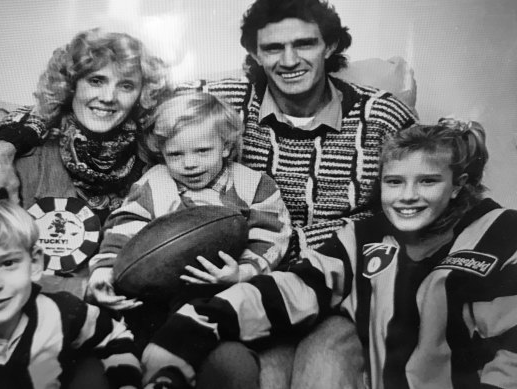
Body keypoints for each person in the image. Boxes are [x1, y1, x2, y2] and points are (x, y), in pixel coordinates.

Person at [0, 0, 417, 386]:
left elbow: (431, 175)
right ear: (255, 55)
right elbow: (80, 103)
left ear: (331, 46)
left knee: (317, 371)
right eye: (272, 47)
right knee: (263, 376)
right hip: (223, 295)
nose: (288, 60)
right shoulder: (217, 106)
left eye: (305, 44)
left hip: (322, 280)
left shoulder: (381, 114)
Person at [141, 118, 517, 389]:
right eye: (394, 182)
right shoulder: (365, 235)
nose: (407, 196)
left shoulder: (501, 235)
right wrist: (190, 327)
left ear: (457, 186)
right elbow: (293, 289)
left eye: (428, 181)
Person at [0, 28, 171, 297]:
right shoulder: (22, 159)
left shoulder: (155, 160)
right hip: (45, 309)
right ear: (71, 86)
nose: (109, 97)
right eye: (96, 80)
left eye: (126, 85)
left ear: (142, 95)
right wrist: (80, 290)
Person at [85, 92, 291, 358]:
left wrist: (242, 272)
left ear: (226, 146)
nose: (189, 164)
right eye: (175, 154)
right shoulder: (155, 181)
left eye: (202, 151)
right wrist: (105, 269)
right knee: (130, 321)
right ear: (161, 153)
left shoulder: (254, 185)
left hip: (224, 288)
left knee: (218, 337)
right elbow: (125, 226)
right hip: (158, 290)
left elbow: (272, 236)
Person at [0, 197, 142, 389]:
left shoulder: (61, 313)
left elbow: (114, 336)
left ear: (34, 264)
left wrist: (127, 383)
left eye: (7, 263)